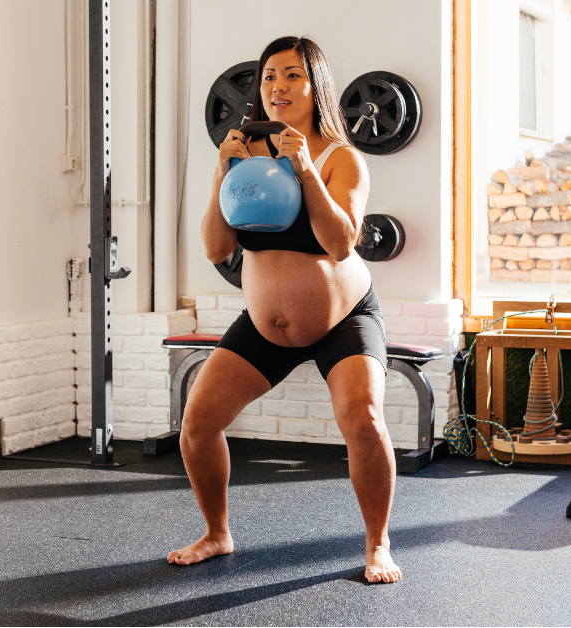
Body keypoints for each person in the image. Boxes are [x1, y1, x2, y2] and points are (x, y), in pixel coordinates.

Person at [167, 36, 401, 584]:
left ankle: (378, 543)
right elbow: (215, 248)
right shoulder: (244, 156)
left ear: (316, 85)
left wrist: (304, 168)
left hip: (342, 320)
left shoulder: (342, 158)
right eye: (270, 76)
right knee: (198, 424)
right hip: (265, 325)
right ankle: (217, 534)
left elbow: (341, 242)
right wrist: (222, 170)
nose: (278, 87)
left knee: (363, 421)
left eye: (292, 75)